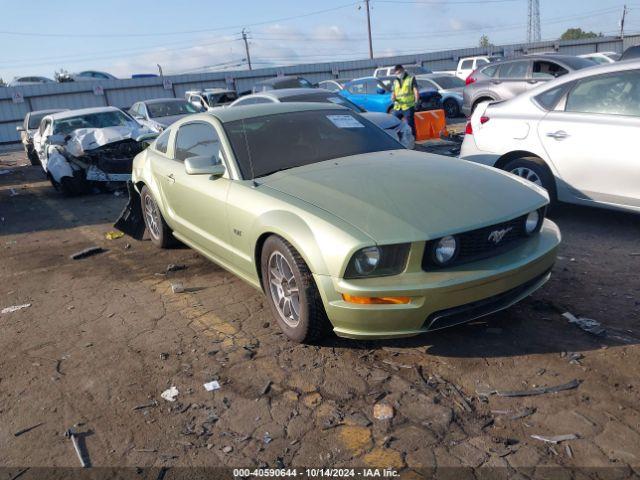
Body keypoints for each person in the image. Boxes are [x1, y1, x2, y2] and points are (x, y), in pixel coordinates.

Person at [390, 64, 420, 138]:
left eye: (399, 72)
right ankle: (397, 138)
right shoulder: (395, 81)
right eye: (396, 73)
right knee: (393, 123)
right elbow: (393, 92)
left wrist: (416, 101)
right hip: (397, 107)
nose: (398, 74)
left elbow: (415, 91)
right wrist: (392, 97)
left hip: (408, 106)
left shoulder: (410, 79)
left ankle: (413, 139)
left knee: (410, 125)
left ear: (403, 70)